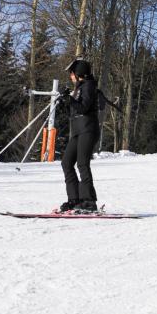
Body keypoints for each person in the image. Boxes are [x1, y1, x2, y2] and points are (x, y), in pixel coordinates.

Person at [59, 59, 100, 213]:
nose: (70, 76)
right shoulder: (79, 88)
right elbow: (74, 110)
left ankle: (89, 201)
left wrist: (70, 100)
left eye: (72, 73)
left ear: (78, 74)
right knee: (66, 163)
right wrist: (65, 101)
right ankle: (74, 199)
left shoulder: (89, 86)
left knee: (82, 163)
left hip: (88, 129)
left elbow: (83, 108)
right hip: (77, 130)